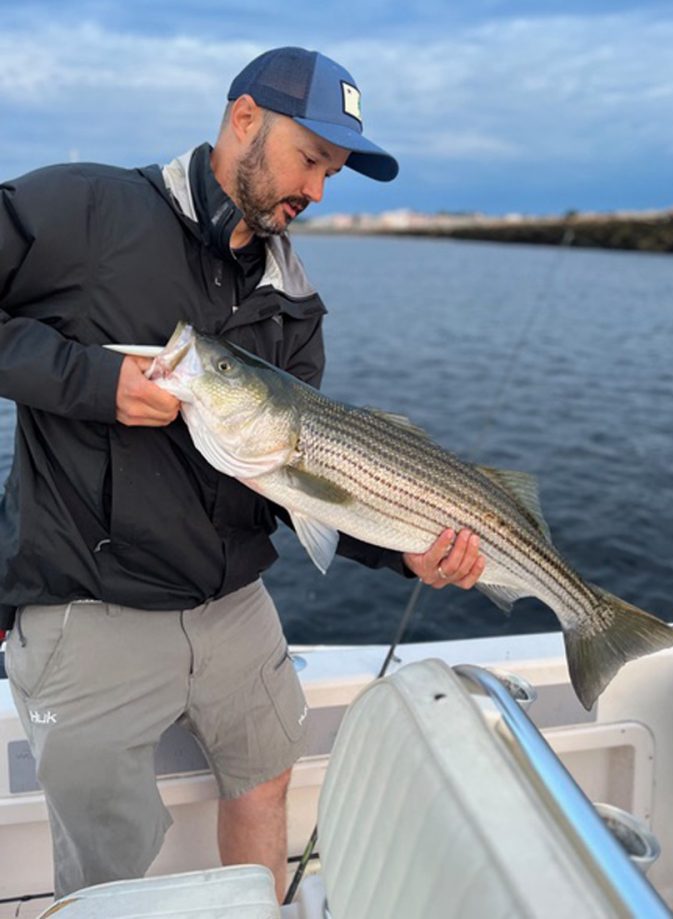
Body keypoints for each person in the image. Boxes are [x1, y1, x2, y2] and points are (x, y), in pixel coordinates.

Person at [0, 46, 484, 902]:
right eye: (311, 159)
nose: (318, 192)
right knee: (110, 863)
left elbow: (302, 476)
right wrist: (90, 384)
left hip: (234, 609)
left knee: (264, 781)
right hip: (91, 603)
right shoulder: (90, 208)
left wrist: (408, 551)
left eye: (333, 173)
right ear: (245, 119)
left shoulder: (294, 301)